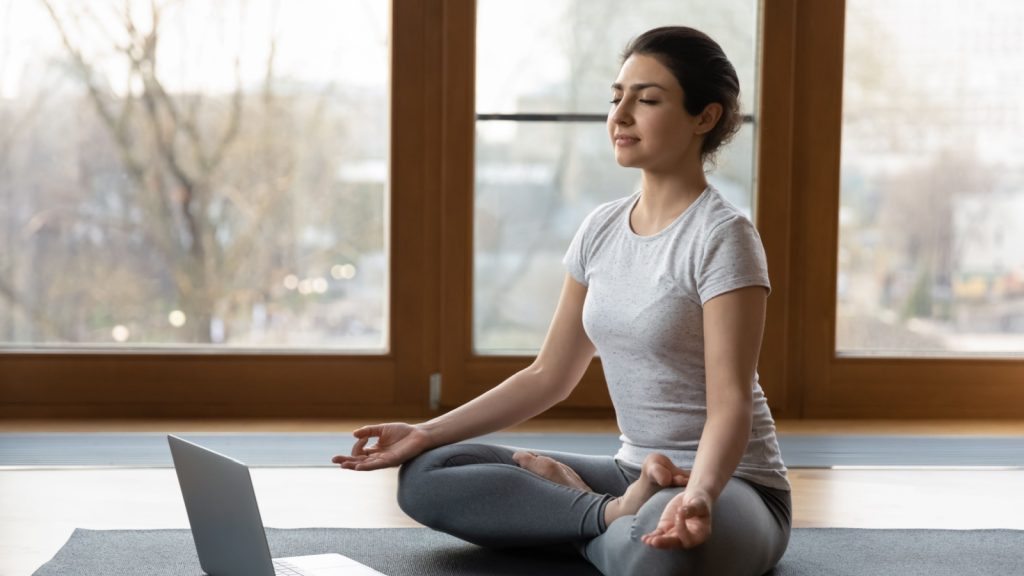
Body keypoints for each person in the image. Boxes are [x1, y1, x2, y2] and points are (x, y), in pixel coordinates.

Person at [333, 26, 791, 576]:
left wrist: (698, 494)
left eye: (646, 100)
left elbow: (731, 402)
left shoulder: (724, 236)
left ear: (705, 117)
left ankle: (586, 520)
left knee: (664, 559)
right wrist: (424, 432)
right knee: (429, 474)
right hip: (631, 474)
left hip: (732, 485)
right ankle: (606, 516)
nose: (620, 116)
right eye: (616, 97)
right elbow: (548, 374)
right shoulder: (600, 228)